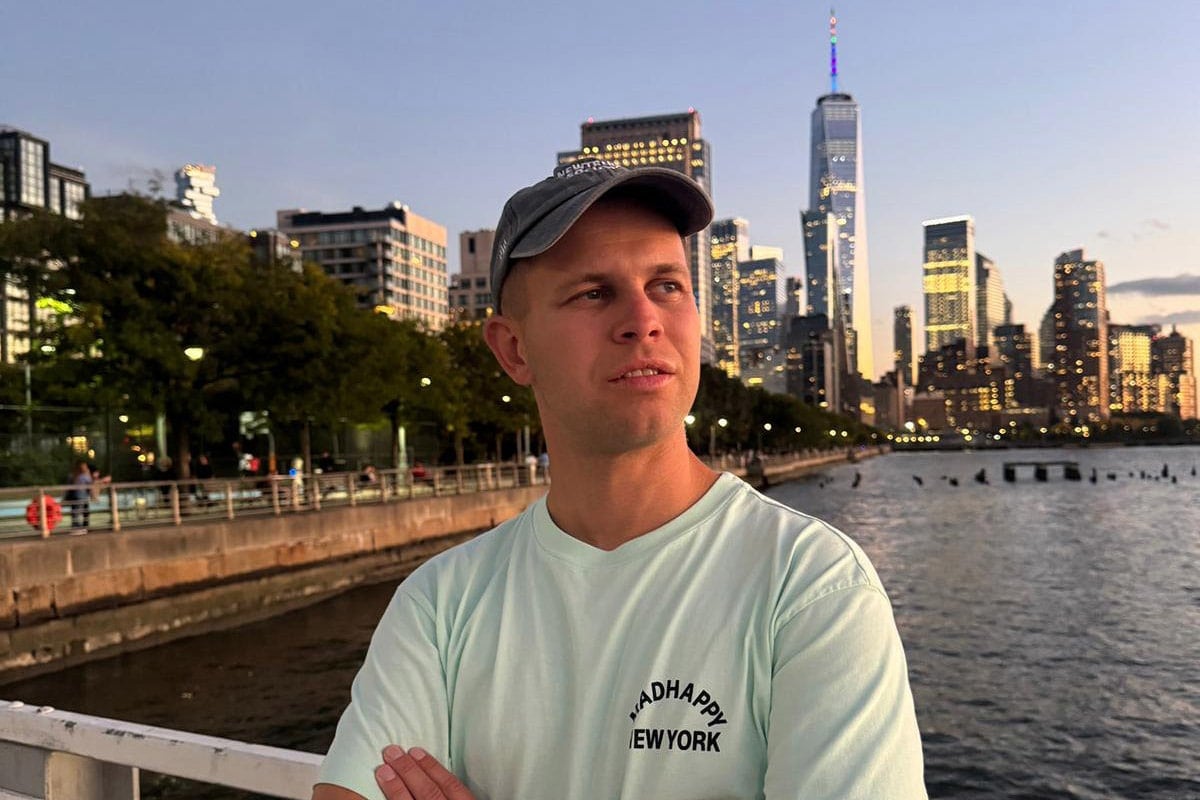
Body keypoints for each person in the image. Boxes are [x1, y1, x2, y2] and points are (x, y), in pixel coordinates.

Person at [313, 160, 926, 800]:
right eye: (592, 293)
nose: (643, 319)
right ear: (513, 349)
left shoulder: (812, 587)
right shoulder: (439, 604)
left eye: (667, 285)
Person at [63, 459, 94, 534]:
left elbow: (67, 487)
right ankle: (80, 528)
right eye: (85, 467)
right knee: (82, 513)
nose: (86, 468)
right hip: (81, 497)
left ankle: (77, 527)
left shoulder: (72, 475)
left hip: (75, 497)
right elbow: (91, 484)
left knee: (76, 513)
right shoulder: (84, 476)